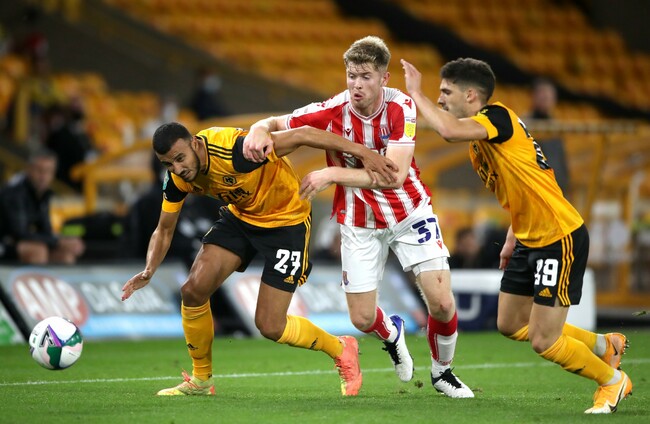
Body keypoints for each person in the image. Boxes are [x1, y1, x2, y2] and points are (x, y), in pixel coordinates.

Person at [244, 36, 475, 398]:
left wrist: (331, 174)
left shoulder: (401, 107)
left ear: (384, 78)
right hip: (359, 222)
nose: (356, 84)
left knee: (442, 303)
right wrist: (258, 131)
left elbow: (394, 176)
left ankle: (442, 372)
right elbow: (272, 122)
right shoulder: (332, 109)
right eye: (352, 76)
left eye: (365, 76)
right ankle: (393, 333)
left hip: (409, 212)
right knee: (362, 319)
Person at [401, 57, 632, 414]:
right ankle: (605, 346)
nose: (440, 98)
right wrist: (512, 236)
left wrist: (416, 94)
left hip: (558, 236)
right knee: (509, 324)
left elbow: (447, 130)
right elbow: (526, 187)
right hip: (527, 237)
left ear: (471, 95)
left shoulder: (498, 117)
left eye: (446, 91)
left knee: (543, 340)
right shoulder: (479, 145)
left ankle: (612, 381)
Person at [121, 121, 398, 397]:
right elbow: (164, 229)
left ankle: (341, 348)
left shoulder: (238, 151)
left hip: (287, 222)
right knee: (193, 291)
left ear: (195, 143)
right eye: (168, 164)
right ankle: (201, 380)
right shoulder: (177, 180)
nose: (177, 168)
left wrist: (363, 152)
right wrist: (149, 270)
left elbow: (303, 134)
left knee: (270, 326)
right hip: (242, 218)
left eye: (180, 158)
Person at [0, 148, 85, 264]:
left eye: (48, 171)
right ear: (29, 169)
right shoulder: (15, 193)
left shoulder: (44, 194)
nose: (43, 176)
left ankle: (59, 277)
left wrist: (63, 241)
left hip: (16, 243)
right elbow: (19, 233)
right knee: (37, 251)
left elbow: (45, 230)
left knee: (64, 254)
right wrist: (57, 242)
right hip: (4, 243)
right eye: (39, 170)